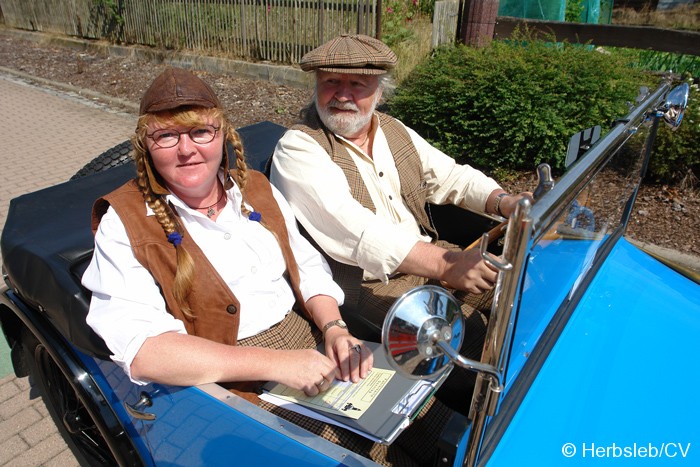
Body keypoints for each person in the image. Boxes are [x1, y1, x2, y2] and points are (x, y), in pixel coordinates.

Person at [82, 66, 450, 466]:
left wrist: (334, 328)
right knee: (354, 457)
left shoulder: (254, 186)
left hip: (308, 345)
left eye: (200, 132)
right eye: (166, 136)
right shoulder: (126, 221)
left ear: (222, 134)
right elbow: (144, 351)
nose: (186, 149)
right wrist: (277, 363)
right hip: (229, 381)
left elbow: (306, 265)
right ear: (146, 146)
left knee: (430, 423)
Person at [269, 34, 531, 400]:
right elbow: (358, 231)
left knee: (522, 295)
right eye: (330, 82)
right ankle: (489, 418)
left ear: (379, 90)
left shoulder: (391, 129)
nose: (342, 94)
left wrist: (505, 201)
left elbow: (450, 175)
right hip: (368, 285)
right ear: (316, 85)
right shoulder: (298, 148)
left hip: (432, 258)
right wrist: (447, 263)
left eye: (357, 84)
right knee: (475, 342)